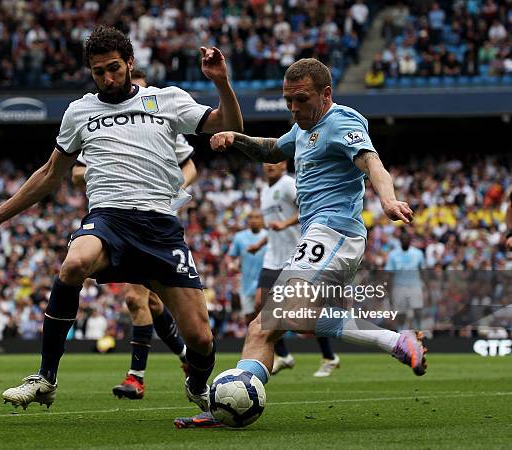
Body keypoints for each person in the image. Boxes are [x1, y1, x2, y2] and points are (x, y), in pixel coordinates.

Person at [0, 26, 243, 411]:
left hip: (160, 227)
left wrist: (222, 83)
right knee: (75, 262)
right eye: (99, 72)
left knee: (200, 338)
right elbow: (49, 175)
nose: (108, 78)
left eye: (114, 68)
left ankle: (197, 384)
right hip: (109, 219)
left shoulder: (165, 100)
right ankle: (46, 377)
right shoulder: (79, 112)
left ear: (130, 62)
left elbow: (229, 126)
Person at [175, 58, 425, 428]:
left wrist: (387, 199)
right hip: (318, 235)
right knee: (262, 326)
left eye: (301, 99)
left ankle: (395, 341)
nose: (293, 108)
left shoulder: (342, 121)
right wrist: (236, 138)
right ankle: (227, 406)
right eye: (288, 100)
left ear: (325, 94)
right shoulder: (302, 129)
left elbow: (373, 164)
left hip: (336, 233)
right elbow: (273, 149)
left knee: (282, 316)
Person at [71, 69, 197, 400]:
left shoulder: (159, 117)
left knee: (139, 298)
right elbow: (74, 172)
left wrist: (170, 190)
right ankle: (179, 361)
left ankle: (138, 376)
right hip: (117, 214)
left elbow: (190, 165)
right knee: (147, 300)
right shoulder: (97, 122)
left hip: (155, 219)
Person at [249, 161, 340, 377]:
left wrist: (286, 224)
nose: (270, 165)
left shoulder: (290, 184)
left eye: (276, 161)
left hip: (296, 255)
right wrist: (260, 244)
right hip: (273, 257)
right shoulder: (265, 190)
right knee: (260, 304)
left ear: (284, 164)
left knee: (304, 311)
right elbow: (273, 225)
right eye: (267, 161)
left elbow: (309, 209)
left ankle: (329, 357)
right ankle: (284, 356)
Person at [228, 210, 268, 325]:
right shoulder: (239, 237)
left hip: (265, 284)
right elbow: (231, 257)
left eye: (257, 217)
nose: (254, 220)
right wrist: (232, 265)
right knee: (249, 320)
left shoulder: (268, 236)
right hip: (246, 285)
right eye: (251, 217)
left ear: (262, 220)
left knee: (266, 320)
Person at [385, 232, 425, 330]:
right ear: (400, 241)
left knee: (418, 310)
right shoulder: (393, 255)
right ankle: (401, 333)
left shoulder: (418, 253)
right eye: (403, 239)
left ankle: (418, 332)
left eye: (407, 239)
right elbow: (390, 274)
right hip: (399, 287)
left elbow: (422, 271)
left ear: (410, 240)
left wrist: (427, 287)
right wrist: (389, 292)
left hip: (415, 286)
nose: (405, 241)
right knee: (401, 313)